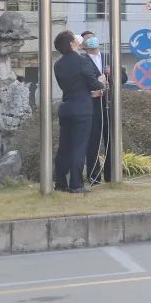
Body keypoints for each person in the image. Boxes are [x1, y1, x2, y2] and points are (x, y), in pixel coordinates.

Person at [53, 30, 103, 193]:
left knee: (64, 147)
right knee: (79, 147)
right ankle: (76, 184)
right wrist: (101, 82)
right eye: (74, 38)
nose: (78, 38)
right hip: (82, 109)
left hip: (66, 107)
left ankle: (60, 183)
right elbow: (93, 83)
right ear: (71, 43)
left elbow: (66, 85)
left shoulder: (58, 64)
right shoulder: (82, 60)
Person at [80, 31, 112, 185]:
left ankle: (111, 175)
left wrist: (112, 74)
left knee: (111, 140)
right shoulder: (82, 60)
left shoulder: (108, 57)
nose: (91, 40)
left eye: (92, 37)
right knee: (93, 141)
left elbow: (124, 78)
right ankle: (94, 176)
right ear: (83, 45)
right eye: (87, 39)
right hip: (92, 106)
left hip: (109, 105)